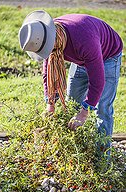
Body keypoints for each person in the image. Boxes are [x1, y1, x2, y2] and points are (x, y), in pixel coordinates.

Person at [19, 10, 123, 147]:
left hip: (108, 56)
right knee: (72, 104)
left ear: (52, 42)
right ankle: (75, 147)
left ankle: (101, 158)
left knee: (102, 109)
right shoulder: (47, 36)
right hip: (81, 57)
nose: (48, 53)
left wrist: (84, 113)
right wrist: (50, 104)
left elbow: (98, 82)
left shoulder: (85, 41)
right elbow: (47, 73)